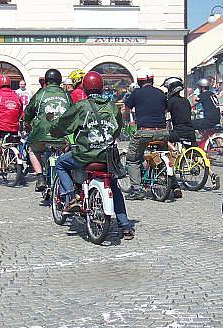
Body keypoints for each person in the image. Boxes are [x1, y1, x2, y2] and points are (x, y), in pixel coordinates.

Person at [50, 71, 135, 240]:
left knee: (60, 163)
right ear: (102, 87)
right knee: (114, 186)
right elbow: (118, 128)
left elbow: (63, 125)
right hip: (107, 156)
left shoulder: (81, 106)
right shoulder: (112, 106)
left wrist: (54, 130)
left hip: (85, 155)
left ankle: (70, 197)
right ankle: (125, 226)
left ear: (85, 88)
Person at [124, 68, 169, 200]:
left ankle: (137, 189)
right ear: (152, 80)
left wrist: (123, 121)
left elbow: (126, 109)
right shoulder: (161, 93)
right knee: (161, 154)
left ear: (139, 81)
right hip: (163, 132)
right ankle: (163, 178)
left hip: (144, 132)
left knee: (133, 159)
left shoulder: (136, 93)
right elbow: (166, 109)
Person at [23, 68, 72, 192]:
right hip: (62, 135)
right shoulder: (66, 95)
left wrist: (27, 123)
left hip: (41, 134)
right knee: (65, 154)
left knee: (32, 150)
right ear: (59, 81)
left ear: (46, 80)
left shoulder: (41, 94)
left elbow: (28, 111)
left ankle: (40, 177)